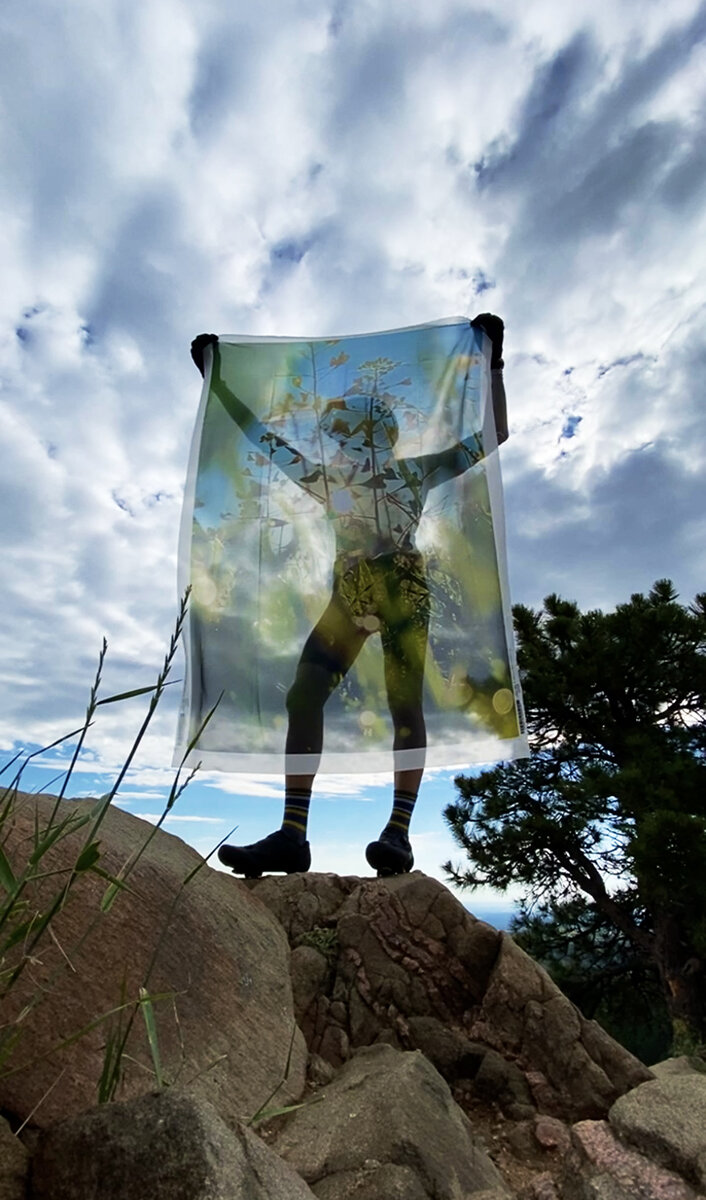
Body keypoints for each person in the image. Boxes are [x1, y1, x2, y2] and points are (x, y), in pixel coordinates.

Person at [190, 315, 507, 878]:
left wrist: (494, 362)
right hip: (351, 591)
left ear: (377, 437)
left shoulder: (410, 472)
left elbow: (493, 436)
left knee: (402, 703)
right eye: (343, 437)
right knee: (304, 695)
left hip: (402, 588)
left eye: (354, 434)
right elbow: (261, 437)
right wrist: (217, 381)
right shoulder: (328, 479)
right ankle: (293, 834)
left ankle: (399, 833)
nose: (345, 444)